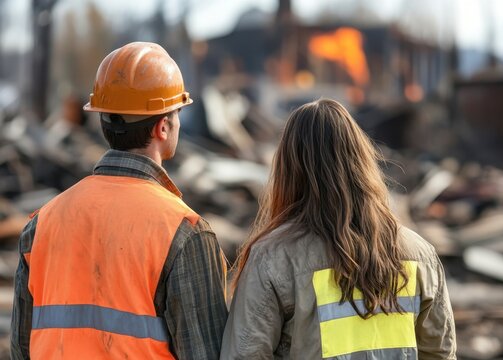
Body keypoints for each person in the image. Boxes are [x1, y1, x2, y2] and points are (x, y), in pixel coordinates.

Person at [11, 42, 228, 359]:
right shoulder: (184, 232)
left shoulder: (42, 223)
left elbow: (21, 348)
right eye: (177, 112)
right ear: (163, 126)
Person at [220, 99, 456, 360]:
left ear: (289, 168)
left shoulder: (273, 258)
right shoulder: (420, 254)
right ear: (361, 160)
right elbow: (439, 353)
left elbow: (244, 354)